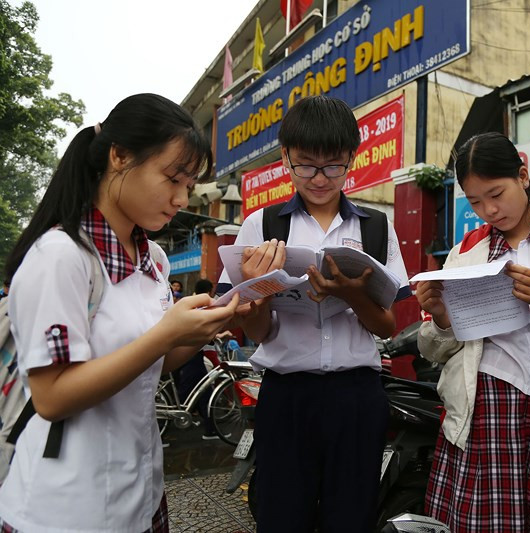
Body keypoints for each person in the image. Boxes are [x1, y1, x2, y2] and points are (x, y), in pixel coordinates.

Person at [0, 93, 239, 532]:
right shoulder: (61, 256)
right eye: (173, 179)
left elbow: (154, 364)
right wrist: (166, 334)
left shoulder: (154, 262)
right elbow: (52, 396)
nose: (182, 199)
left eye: (189, 185)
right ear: (119, 156)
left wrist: (207, 327)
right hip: (66, 506)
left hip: (140, 495)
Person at [218, 95, 410, 533]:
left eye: (333, 166)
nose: (320, 178)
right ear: (286, 157)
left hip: (357, 397)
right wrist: (260, 294)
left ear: (352, 159)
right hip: (287, 397)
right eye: (305, 165)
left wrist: (352, 294)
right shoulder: (262, 226)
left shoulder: (376, 228)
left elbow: (386, 324)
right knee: (282, 515)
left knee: (352, 517)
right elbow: (258, 331)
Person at [415, 132, 530, 532]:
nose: (489, 210)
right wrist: (442, 317)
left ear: (522, 175)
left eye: (496, 193)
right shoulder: (467, 251)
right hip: (487, 405)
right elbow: (434, 348)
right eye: (476, 202)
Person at [174, 278, 220, 440]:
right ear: (208, 291)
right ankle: (167, 423)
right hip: (194, 353)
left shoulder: (192, 303)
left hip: (193, 353)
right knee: (187, 391)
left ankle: (210, 429)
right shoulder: (203, 306)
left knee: (204, 391)